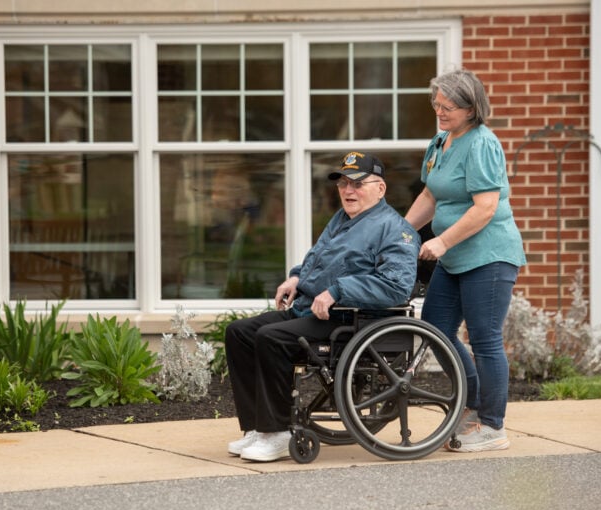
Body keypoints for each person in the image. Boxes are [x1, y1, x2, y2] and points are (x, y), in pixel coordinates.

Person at [225, 151, 419, 462]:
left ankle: (278, 432)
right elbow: (320, 258)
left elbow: (396, 288)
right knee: (239, 332)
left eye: (357, 184)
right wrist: (297, 277)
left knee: (271, 338)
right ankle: (258, 428)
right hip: (312, 309)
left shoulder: (395, 230)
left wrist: (338, 291)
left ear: (380, 188)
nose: (348, 190)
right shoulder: (342, 219)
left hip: (350, 319)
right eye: (343, 183)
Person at [405, 68, 526, 453]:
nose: (440, 112)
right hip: (455, 256)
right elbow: (431, 195)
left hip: (488, 256)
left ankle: (492, 426)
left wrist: (440, 241)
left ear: (472, 108)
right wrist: (401, 233)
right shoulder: (442, 141)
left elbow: (486, 208)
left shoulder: (482, 144)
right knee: (437, 329)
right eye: (436, 105)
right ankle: (471, 405)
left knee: (485, 339)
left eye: (449, 107)